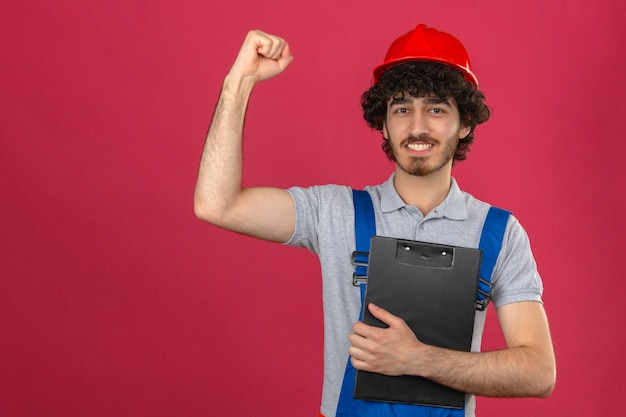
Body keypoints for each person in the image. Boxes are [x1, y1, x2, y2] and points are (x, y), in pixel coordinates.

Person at [194, 24, 556, 417]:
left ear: (465, 122)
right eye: (402, 109)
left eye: (436, 108)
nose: (417, 127)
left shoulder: (500, 233)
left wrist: (419, 360)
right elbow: (217, 204)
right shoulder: (335, 211)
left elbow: (539, 373)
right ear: (382, 122)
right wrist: (240, 81)